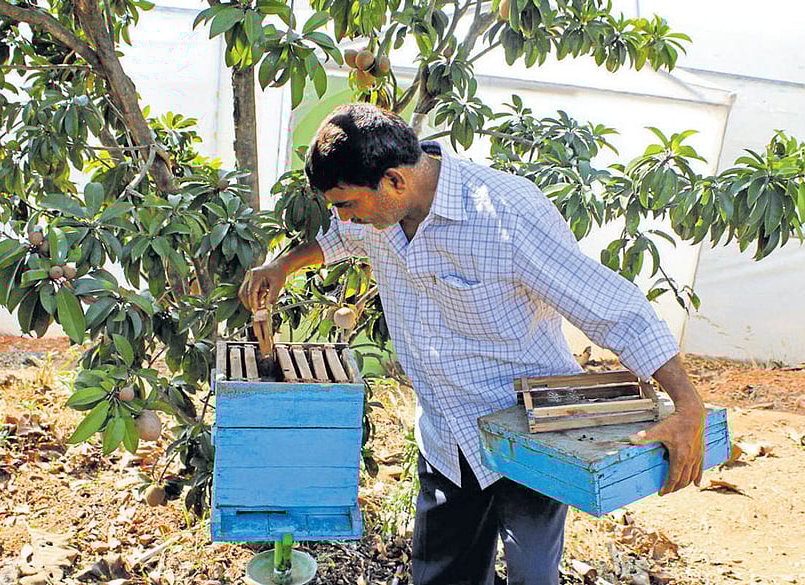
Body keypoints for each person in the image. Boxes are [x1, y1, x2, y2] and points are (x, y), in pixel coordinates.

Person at [239, 103, 706, 585]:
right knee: (443, 575)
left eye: (347, 204)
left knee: (532, 576)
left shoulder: (506, 213)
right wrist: (282, 266)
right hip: (446, 437)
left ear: (395, 181)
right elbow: (338, 239)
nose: (344, 218)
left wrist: (688, 405)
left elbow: (608, 305)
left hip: (525, 434)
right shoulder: (374, 214)